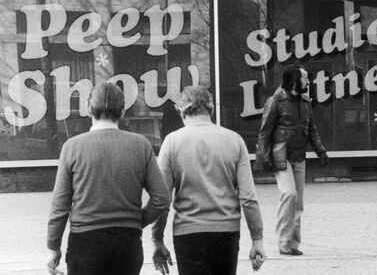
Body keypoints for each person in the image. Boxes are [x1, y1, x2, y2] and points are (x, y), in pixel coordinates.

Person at [45, 82, 171, 275]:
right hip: (127, 242)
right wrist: (137, 220)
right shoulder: (141, 145)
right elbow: (161, 199)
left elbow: (60, 205)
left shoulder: (72, 147)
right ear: (122, 111)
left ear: (88, 108)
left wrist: (53, 246)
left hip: (85, 241)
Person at [151, 86, 266, 275]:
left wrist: (157, 239)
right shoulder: (235, 140)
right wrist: (257, 240)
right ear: (211, 109)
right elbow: (248, 198)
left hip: (187, 233)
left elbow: (162, 200)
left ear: (181, 111)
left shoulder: (171, 142)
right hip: (226, 232)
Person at [257, 64, 330, 256]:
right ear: (294, 81)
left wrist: (320, 151)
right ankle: (283, 241)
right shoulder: (275, 101)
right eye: (305, 78)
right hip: (281, 155)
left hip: (299, 155)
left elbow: (311, 128)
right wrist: (265, 157)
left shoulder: (305, 101)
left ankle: (293, 244)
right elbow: (264, 132)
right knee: (289, 194)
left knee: (298, 203)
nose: (308, 81)